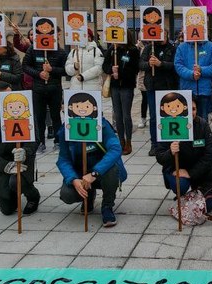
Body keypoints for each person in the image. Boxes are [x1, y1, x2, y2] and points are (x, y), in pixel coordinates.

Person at [56, 91, 126, 228]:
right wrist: (73, 179)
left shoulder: (102, 125)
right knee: (67, 195)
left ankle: (107, 206)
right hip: (80, 173)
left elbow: (116, 149)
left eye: (86, 106)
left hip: (101, 172)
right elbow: (63, 159)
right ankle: (88, 196)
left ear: (94, 108)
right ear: (68, 107)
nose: (82, 109)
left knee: (112, 170)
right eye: (77, 106)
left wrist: (94, 173)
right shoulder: (66, 129)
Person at [0, 81, 40, 215]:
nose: (8, 98)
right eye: (3, 96)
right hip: (2, 161)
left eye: (10, 94)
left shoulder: (23, 111)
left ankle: (33, 195)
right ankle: (11, 193)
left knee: (16, 182)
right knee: (7, 209)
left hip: (22, 158)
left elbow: (35, 138)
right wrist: (4, 165)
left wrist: (25, 151)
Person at [155, 94, 212, 215]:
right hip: (177, 169)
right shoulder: (166, 126)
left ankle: (198, 190)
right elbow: (160, 156)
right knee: (180, 184)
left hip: (202, 172)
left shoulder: (203, 125)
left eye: (193, 109)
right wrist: (171, 152)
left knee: (207, 207)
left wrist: (191, 173)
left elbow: (210, 155)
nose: (191, 113)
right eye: (187, 109)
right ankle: (182, 194)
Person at [21, 40, 68, 153]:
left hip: (54, 89)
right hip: (38, 89)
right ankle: (40, 142)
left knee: (55, 116)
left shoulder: (60, 52)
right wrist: (38, 73)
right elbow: (25, 66)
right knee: (39, 117)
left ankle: (58, 141)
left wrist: (52, 70)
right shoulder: (32, 49)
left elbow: (66, 70)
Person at [141, 30, 178, 156]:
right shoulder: (148, 48)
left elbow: (175, 65)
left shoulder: (172, 49)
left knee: (168, 116)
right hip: (152, 87)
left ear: (167, 35)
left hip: (168, 87)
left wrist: (161, 64)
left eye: (164, 35)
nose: (161, 37)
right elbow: (140, 64)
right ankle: (154, 144)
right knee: (154, 117)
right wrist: (148, 64)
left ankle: (168, 143)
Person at [102, 37, 140, 155]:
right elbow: (105, 66)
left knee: (126, 115)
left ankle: (128, 140)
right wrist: (111, 71)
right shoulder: (112, 50)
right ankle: (121, 140)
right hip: (114, 86)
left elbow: (135, 68)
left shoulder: (133, 50)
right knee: (117, 115)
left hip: (127, 86)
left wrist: (121, 74)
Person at [174, 35, 212, 121]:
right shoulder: (181, 47)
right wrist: (191, 74)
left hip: (204, 91)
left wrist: (201, 70)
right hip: (187, 89)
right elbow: (178, 66)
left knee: (202, 121)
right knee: (187, 120)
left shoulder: (211, 47)